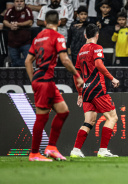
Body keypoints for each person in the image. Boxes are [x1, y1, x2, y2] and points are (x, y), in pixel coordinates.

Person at [25, 10, 84, 161]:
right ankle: (34, 153)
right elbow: (64, 60)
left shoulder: (38, 37)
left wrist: (33, 81)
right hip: (45, 80)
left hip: (42, 79)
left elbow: (27, 61)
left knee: (63, 111)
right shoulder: (58, 36)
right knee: (41, 118)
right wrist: (77, 76)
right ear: (58, 23)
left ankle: (51, 148)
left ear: (45, 22)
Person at [70, 23, 120, 158]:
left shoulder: (81, 51)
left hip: (86, 90)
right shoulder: (97, 47)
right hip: (97, 88)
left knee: (89, 121)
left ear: (85, 35)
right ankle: (103, 151)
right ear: (97, 35)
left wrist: (80, 93)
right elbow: (98, 64)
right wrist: (112, 78)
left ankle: (75, 150)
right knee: (112, 117)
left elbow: (76, 74)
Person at [3, 0, 33, 67]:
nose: (19, 3)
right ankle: (13, 65)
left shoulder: (27, 10)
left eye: (21, 1)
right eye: (17, 1)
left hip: (25, 42)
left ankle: (11, 65)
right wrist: (10, 26)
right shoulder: (10, 10)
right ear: (14, 3)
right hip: (12, 43)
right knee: (15, 64)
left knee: (29, 61)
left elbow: (30, 22)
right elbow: (5, 21)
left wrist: (18, 24)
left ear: (24, 2)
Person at [96, 0, 116, 66]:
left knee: (108, 66)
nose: (105, 9)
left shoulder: (113, 19)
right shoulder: (97, 19)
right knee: (99, 66)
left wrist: (102, 25)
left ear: (110, 9)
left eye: (107, 7)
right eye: (103, 7)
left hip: (109, 46)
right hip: (98, 46)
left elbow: (114, 28)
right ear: (100, 8)